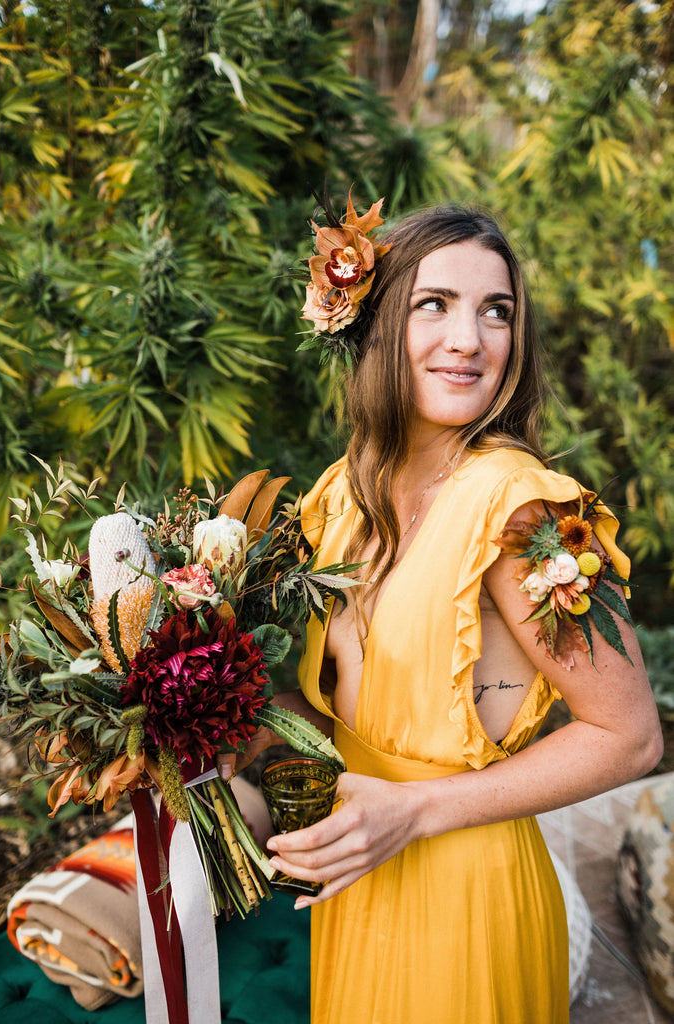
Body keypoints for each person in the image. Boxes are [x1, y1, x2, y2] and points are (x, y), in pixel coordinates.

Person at [219, 198, 663, 1023]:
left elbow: (628, 736)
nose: (470, 339)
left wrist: (416, 809)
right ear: (376, 324)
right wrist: (220, 726)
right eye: (436, 304)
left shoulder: (520, 508)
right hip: (358, 881)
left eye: (495, 312)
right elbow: (346, 713)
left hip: (464, 893)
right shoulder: (339, 496)